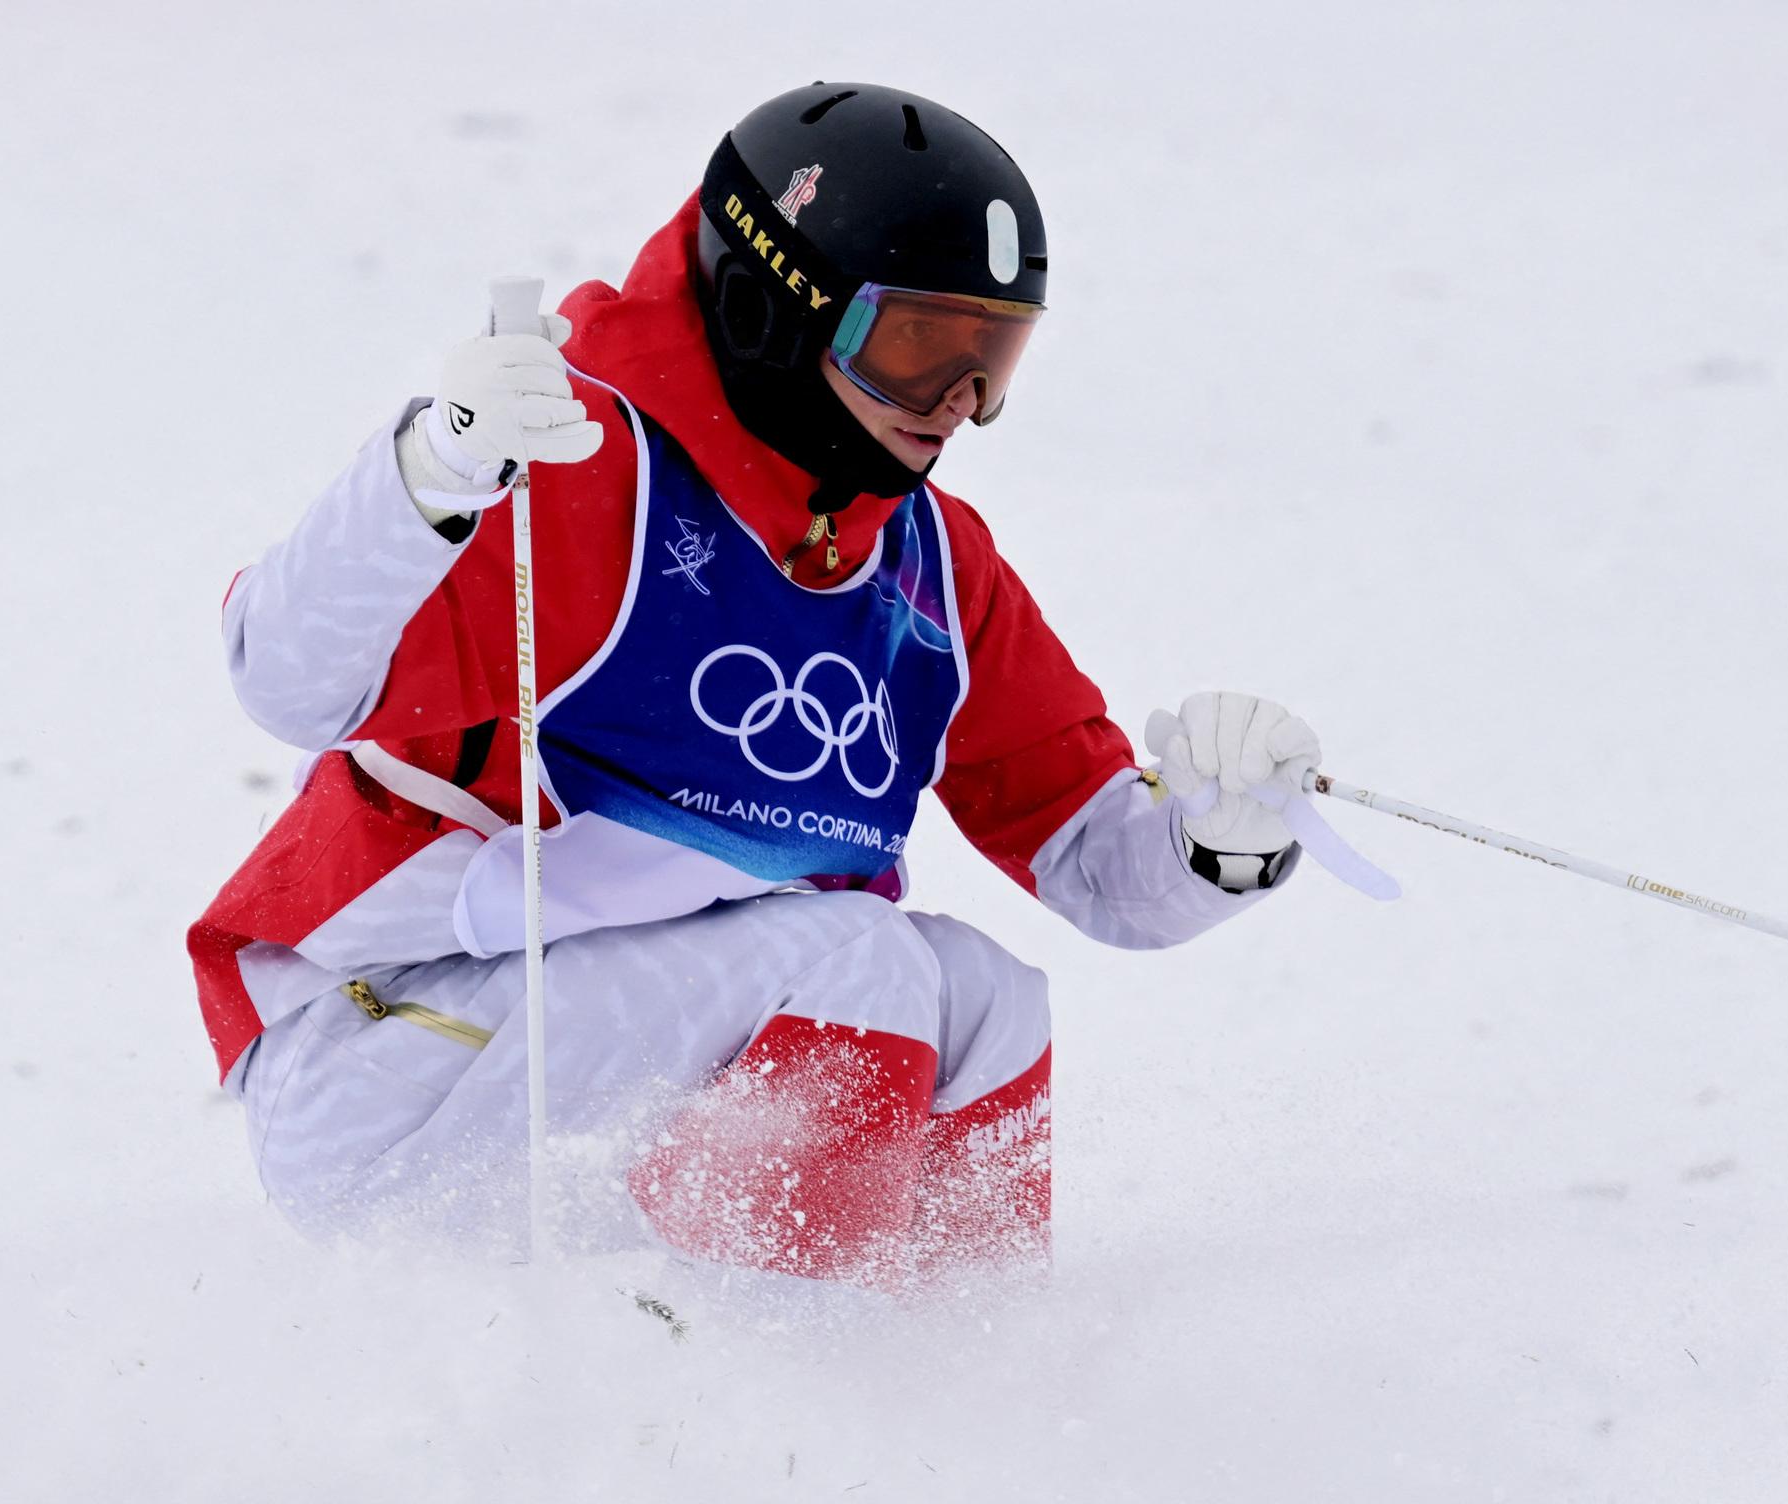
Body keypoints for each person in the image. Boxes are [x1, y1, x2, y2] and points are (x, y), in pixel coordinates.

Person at [190, 82, 1332, 1284]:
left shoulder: (928, 569)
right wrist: (431, 474)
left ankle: (963, 1369)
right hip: (384, 1054)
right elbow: (285, 677)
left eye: (991, 357)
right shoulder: (583, 468)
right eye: (917, 346)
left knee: (988, 1000)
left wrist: (1223, 837)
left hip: (599, 1054)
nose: (958, 405)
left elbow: (1096, 860)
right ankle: (767, 1363)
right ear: (771, 307)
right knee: (862, 958)